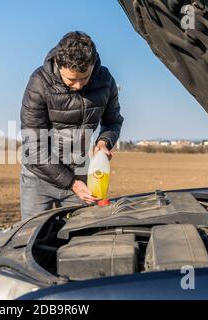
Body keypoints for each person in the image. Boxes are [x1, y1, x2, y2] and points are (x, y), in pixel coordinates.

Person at [20, 31, 124, 220]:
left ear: (93, 65)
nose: (78, 86)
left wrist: (103, 143)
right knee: (31, 235)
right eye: (71, 80)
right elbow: (33, 147)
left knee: (80, 237)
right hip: (39, 179)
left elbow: (113, 120)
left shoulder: (105, 80)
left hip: (82, 177)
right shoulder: (39, 83)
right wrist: (71, 183)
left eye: (83, 78)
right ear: (59, 65)